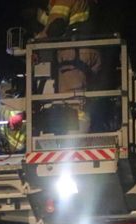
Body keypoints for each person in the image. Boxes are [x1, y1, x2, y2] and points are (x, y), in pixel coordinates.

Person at [34, 0, 102, 133]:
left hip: (75, 53)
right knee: (85, 100)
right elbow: (55, 19)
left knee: (73, 103)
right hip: (91, 51)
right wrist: (38, 14)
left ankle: (76, 142)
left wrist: (35, 42)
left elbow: (56, 25)